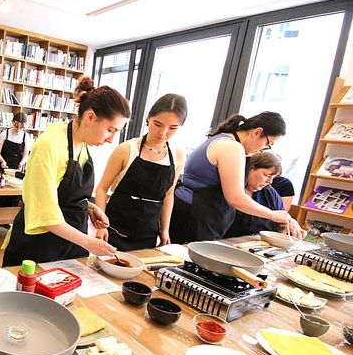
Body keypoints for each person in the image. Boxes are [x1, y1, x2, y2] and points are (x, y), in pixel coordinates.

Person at [1, 77, 130, 267]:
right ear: (90, 117)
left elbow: (65, 194)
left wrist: (90, 207)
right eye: (110, 130)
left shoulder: (82, 145)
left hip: (71, 244)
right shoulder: (49, 145)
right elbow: (44, 212)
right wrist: (89, 242)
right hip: (40, 247)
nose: (112, 139)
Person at [169, 111, 305, 243]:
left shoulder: (224, 139)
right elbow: (236, 199)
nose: (264, 149)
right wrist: (273, 215)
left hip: (197, 214)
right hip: (195, 216)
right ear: (257, 132)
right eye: (268, 144)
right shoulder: (231, 147)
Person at [95, 94, 188, 250]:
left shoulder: (177, 155)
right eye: (157, 124)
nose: (163, 132)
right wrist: (100, 226)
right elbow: (102, 189)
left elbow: (169, 194)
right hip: (116, 227)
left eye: (172, 128)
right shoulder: (126, 149)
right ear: (148, 118)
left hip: (148, 231)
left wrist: (164, 230)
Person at [225, 152, 289, 237]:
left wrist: (288, 224)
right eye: (267, 175)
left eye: (273, 177)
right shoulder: (230, 189)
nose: (269, 181)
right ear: (251, 168)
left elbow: (281, 220)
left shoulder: (270, 193)